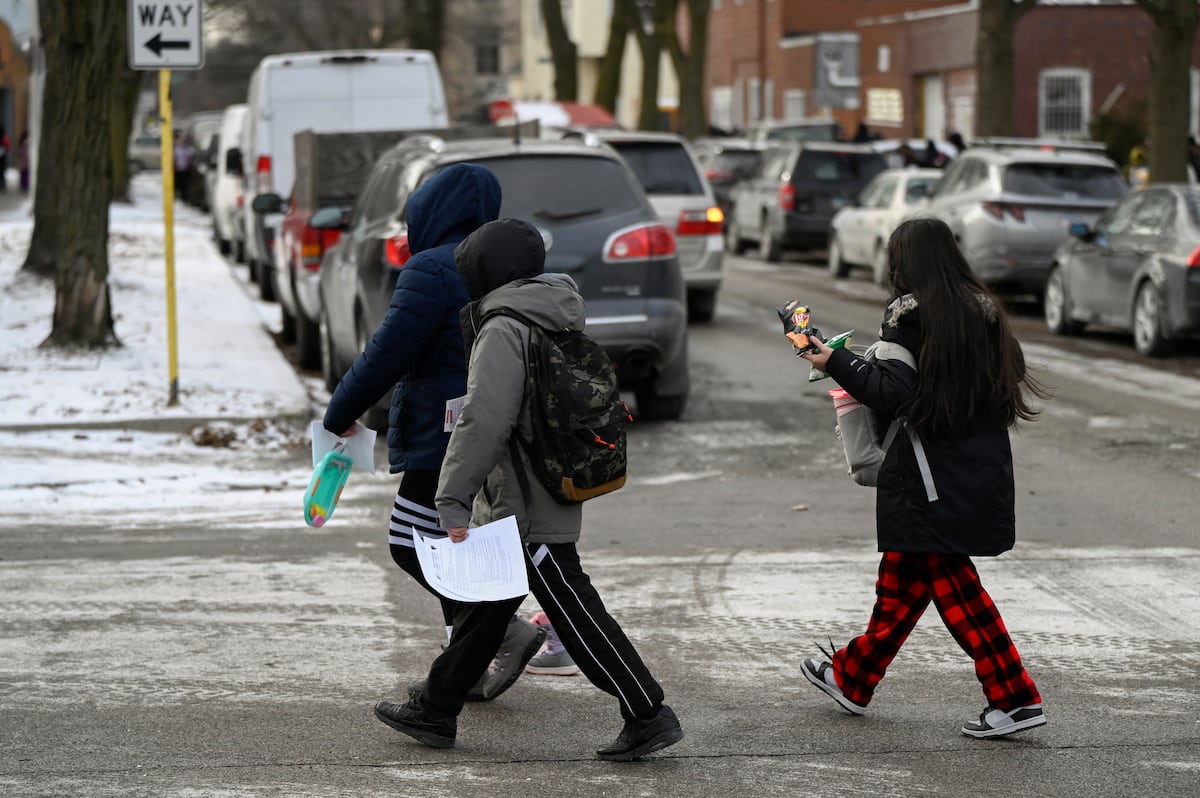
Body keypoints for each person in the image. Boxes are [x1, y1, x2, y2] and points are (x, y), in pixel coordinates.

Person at [373, 218, 684, 761]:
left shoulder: (504, 327)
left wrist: (451, 497)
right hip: (541, 482)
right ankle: (437, 706)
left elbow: (483, 421)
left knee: (575, 611)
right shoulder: (551, 312)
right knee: (487, 605)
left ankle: (648, 711)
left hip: (525, 498)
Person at [796, 217, 1049, 740]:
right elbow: (1012, 372)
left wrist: (833, 358)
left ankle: (1015, 697)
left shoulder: (908, 314)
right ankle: (853, 677)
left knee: (954, 588)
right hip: (976, 466)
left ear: (903, 262)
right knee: (902, 580)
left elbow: (892, 392)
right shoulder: (985, 312)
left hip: (927, 473)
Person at [322, 164, 544, 710]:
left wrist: (339, 411)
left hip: (441, 430)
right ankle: (466, 668)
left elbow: (388, 351)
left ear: (430, 210)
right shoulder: (497, 263)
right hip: (495, 424)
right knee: (451, 542)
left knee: (409, 542)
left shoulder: (431, 267)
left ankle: (502, 631)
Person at [172, 131, 193, 201]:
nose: (180, 141)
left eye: (181, 139)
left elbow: (190, 157)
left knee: (184, 185)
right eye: (179, 139)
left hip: (185, 170)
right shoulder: (173, 148)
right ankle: (175, 197)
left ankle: (184, 198)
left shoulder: (186, 148)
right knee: (176, 184)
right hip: (176, 170)